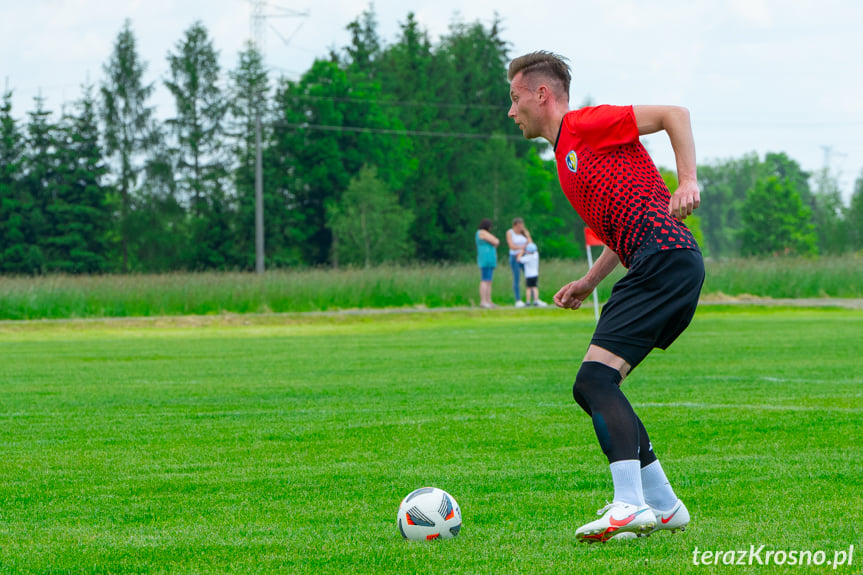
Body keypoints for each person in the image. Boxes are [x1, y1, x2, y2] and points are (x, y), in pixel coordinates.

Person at [507, 51, 704, 543]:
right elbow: (620, 232)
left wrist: (688, 180)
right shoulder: (565, 162)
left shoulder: (584, 125)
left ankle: (630, 504)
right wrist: (587, 283)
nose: (511, 112)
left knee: (595, 382)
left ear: (542, 95)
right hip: (660, 261)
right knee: (594, 385)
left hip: (665, 256)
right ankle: (662, 504)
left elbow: (673, 115)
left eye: (515, 99)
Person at [506, 218, 533, 307]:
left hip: (525, 257)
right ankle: (518, 300)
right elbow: (511, 246)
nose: (520, 228)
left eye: (521, 226)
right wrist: (523, 248)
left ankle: (534, 298)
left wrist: (527, 235)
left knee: (530, 277)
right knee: (517, 278)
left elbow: (531, 245)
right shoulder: (510, 233)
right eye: (518, 227)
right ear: (514, 226)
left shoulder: (524, 233)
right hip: (515, 257)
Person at [476, 218, 500, 309]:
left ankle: (488, 300)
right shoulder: (481, 232)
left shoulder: (485, 234)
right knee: (485, 280)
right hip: (485, 259)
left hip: (490, 260)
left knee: (489, 281)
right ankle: (483, 301)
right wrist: (495, 241)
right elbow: (495, 241)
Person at [516, 242, 547, 307]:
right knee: (535, 288)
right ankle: (536, 301)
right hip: (535, 274)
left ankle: (528, 301)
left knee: (528, 288)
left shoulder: (527, 257)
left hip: (529, 275)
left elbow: (519, 259)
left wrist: (522, 252)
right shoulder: (536, 255)